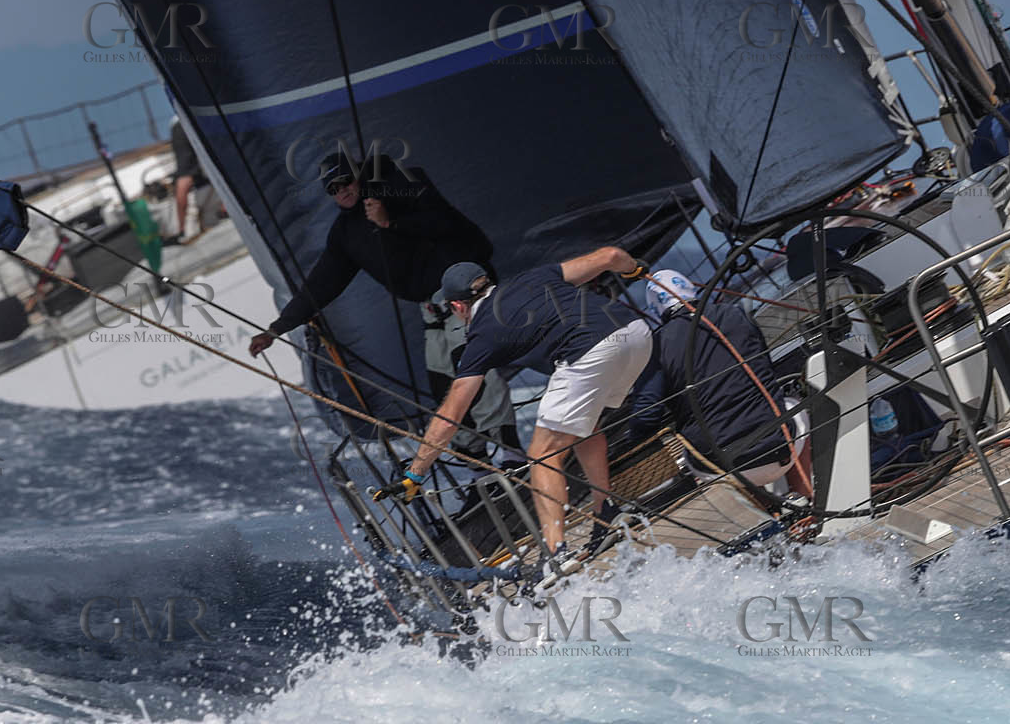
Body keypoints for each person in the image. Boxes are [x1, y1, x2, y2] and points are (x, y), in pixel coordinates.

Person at [376, 251, 652, 575]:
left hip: (591, 351)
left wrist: (416, 474)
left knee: (542, 454)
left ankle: (556, 555)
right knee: (583, 427)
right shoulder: (533, 277)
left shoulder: (482, 334)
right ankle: (607, 513)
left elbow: (451, 414)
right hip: (636, 333)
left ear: (457, 307)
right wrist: (635, 270)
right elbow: (610, 255)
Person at [247, 150, 521, 461]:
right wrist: (276, 329)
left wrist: (391, 222)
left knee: (474, 371)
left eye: (346, 181)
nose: (342, 191)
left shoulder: (403, 188)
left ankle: (512, 453)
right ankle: (477, 462)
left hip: (464, 295)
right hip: (432, 309)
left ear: (360, 176)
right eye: (333, 189)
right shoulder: (346, 233)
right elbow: (321, 284)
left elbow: (448, 225)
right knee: (444, 386)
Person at [630, 270, 812, 498]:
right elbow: (763, 366)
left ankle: (766, 509)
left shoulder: (654, 348)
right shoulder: (734, 313)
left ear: (656, 310)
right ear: (690, 289)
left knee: (695, 450)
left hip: (721, 468)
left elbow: (646, 416)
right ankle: (805, 498)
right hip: (782, 449)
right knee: (792, 405)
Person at [167, 117, 223, 244]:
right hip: (194, 118)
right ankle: (182, 230)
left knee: (185, 175)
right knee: (186, 177)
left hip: (185, 120)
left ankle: (181, 230)